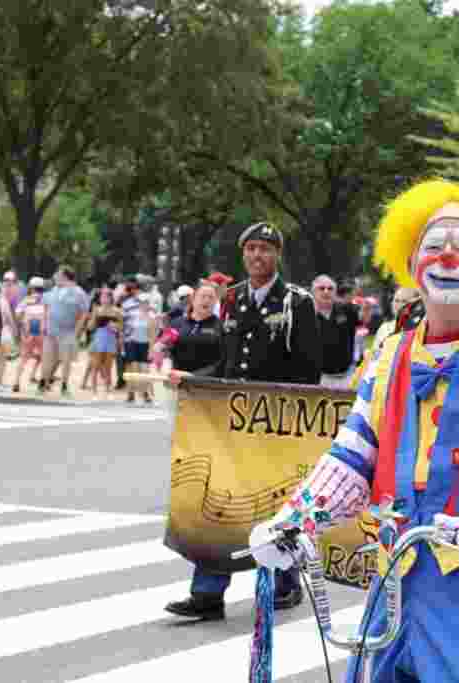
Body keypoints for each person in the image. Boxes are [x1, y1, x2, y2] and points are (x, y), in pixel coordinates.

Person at [249, 180, 459, 682]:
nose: (448, 258)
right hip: (397, 585)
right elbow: (353, 456)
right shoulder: (390, 354)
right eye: (433, 247)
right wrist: (295, 520)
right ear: (412, 265)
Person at [164, 222, 322, 622]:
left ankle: (285, 581)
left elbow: (309, 370)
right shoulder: (231, 299)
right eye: (250, 249)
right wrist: (195, 378)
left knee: (273, 504)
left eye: (265, 249)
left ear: (277, 255)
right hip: (232, 422)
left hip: (275, 423)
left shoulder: (295, 301)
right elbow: (227, 360)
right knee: (217, 504)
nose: (256, 256)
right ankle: (206, 594)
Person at [38, 266, 90, 398]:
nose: (55, 277)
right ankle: (43, 382)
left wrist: (77, 331)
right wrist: (43, 323)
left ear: (65, 277)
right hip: (51, 330)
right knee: (47, 357)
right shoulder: (53, 290)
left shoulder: (78, 293)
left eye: (57, 275)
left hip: (67, 331)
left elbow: (84, 312)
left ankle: (64, 386)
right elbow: (45, 306)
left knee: (66, 359)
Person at [313, 274, 359, 389]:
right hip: (319, 378)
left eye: (330, 288)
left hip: (347, 376)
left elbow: (363, 320)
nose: (326, 291)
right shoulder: (305, 314)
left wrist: (366, 309)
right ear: (313, 292)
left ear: (335, 292)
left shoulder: (347, 309)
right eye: (321, 288)